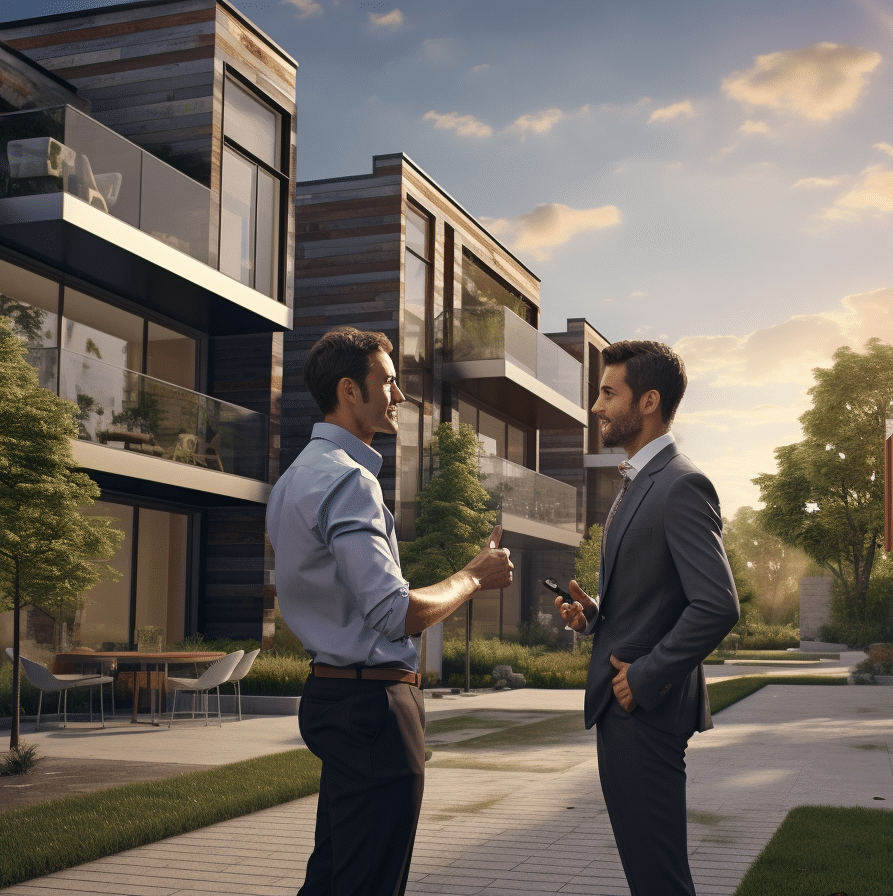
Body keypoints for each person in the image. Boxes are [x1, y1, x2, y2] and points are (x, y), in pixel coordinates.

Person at [268, 326, 512, 896]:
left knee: (332, 878)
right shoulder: (349, 480)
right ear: (350, 391)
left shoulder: (291, 481)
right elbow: (395, 611)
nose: (399, 395)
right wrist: (474, 576)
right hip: (374, 708)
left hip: (332, 697)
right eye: (390, 381)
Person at [555, 340, 739, 896]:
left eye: (609, 393)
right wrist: (596, 616)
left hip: (645, 707)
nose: (596, 407)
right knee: (648, 874)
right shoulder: (641, 482)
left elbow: (717, 604)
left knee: (658, 879)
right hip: (627, 708)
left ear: (650, 401)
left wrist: (644, 675)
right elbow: (658, 597)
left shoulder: (680, 484)